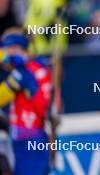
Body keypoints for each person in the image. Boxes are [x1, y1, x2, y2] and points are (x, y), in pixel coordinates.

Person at [0, 28, 52, 175]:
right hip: (25, 138)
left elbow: (46, 107)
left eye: (7, 49)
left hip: (30, 137)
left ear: (16, 49)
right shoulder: (27, 69)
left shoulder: (30, 70)